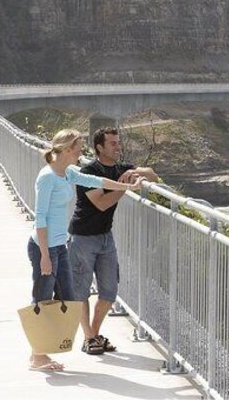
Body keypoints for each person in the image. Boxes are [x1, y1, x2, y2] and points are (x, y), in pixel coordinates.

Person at [27, 129, 142, 372]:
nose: (82, 151)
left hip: (60, 245)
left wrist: (129, 187)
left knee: (68, 299)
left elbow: (96, 181)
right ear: (68, 149)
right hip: (43, 247)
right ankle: (37, 356)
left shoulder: (68, 172)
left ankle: (48, 349)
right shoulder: (47, 177)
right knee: (42, 299)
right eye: (78, 147)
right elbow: (40, 219)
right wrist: (45, 256)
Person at [68, 127, 158, 355]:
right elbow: (101, 203)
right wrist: (126, 187)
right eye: (113, 144)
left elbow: (153, 174)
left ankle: (94, 335)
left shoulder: (119, 168)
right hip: (82, 238)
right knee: (81, 291)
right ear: (99, 147)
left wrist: (136, 175)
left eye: (118, 143)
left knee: (109, 291)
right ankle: (89, 338)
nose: (118, 147)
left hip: (105, 237)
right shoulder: (89, 171)